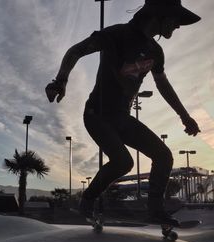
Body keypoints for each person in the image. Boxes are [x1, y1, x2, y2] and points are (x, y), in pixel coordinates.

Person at [46, 0, 201, 225]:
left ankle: (155, 210)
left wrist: (184, 116)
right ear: (160, 15)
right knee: (123, 162)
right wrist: (60, 81)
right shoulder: (117, 34)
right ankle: (88, 199)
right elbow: (76, 50)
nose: (177, 26)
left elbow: (163, 85)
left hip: (122, 118)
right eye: (176, 20)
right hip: (97, 115)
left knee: (163, 155)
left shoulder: (156, 51)